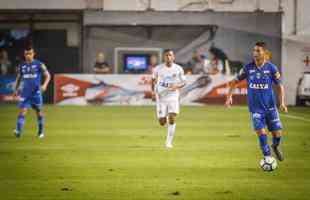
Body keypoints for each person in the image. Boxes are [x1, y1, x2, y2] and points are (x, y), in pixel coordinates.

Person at [225, 42, 287, 163]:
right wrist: (229, 97)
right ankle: (268, 157)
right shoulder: (248, 68)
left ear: (264, 52)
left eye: (258, 51)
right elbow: (234, 82)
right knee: (261, 133)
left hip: (271, 108)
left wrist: (282, 103)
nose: (255, 53)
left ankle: (275, 146)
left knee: (277, 134)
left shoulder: (271, 68)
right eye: (254, 50)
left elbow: (280, 86)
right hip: (256, 109)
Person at [151, 49, 186, 149]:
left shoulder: (178, 69)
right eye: (166, 55)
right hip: (161, 96)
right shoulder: (158, 69)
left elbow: (184, 82)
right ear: (164, 57)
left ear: (173, 57)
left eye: (170, 55)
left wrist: (177, 87)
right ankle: (164, 116)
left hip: (173, 96)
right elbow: (153, 80)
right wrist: (153, 92)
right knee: (162, 122)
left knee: (172, 118)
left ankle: (168, 142)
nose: (168, 57)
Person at [14, 47, 51, 138]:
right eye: (26, 54)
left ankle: (40, 132)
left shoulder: (39, 64)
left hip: (36, 93)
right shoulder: (22, 66)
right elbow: (18, 78)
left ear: (33, 54)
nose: (28, 55)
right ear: (24, 54)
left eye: (30, 53)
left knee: (39, 111)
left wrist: (45, 85)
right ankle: (18, 131)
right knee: (22, 111)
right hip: (25, 93)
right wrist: (16, 89)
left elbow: (48, 75)